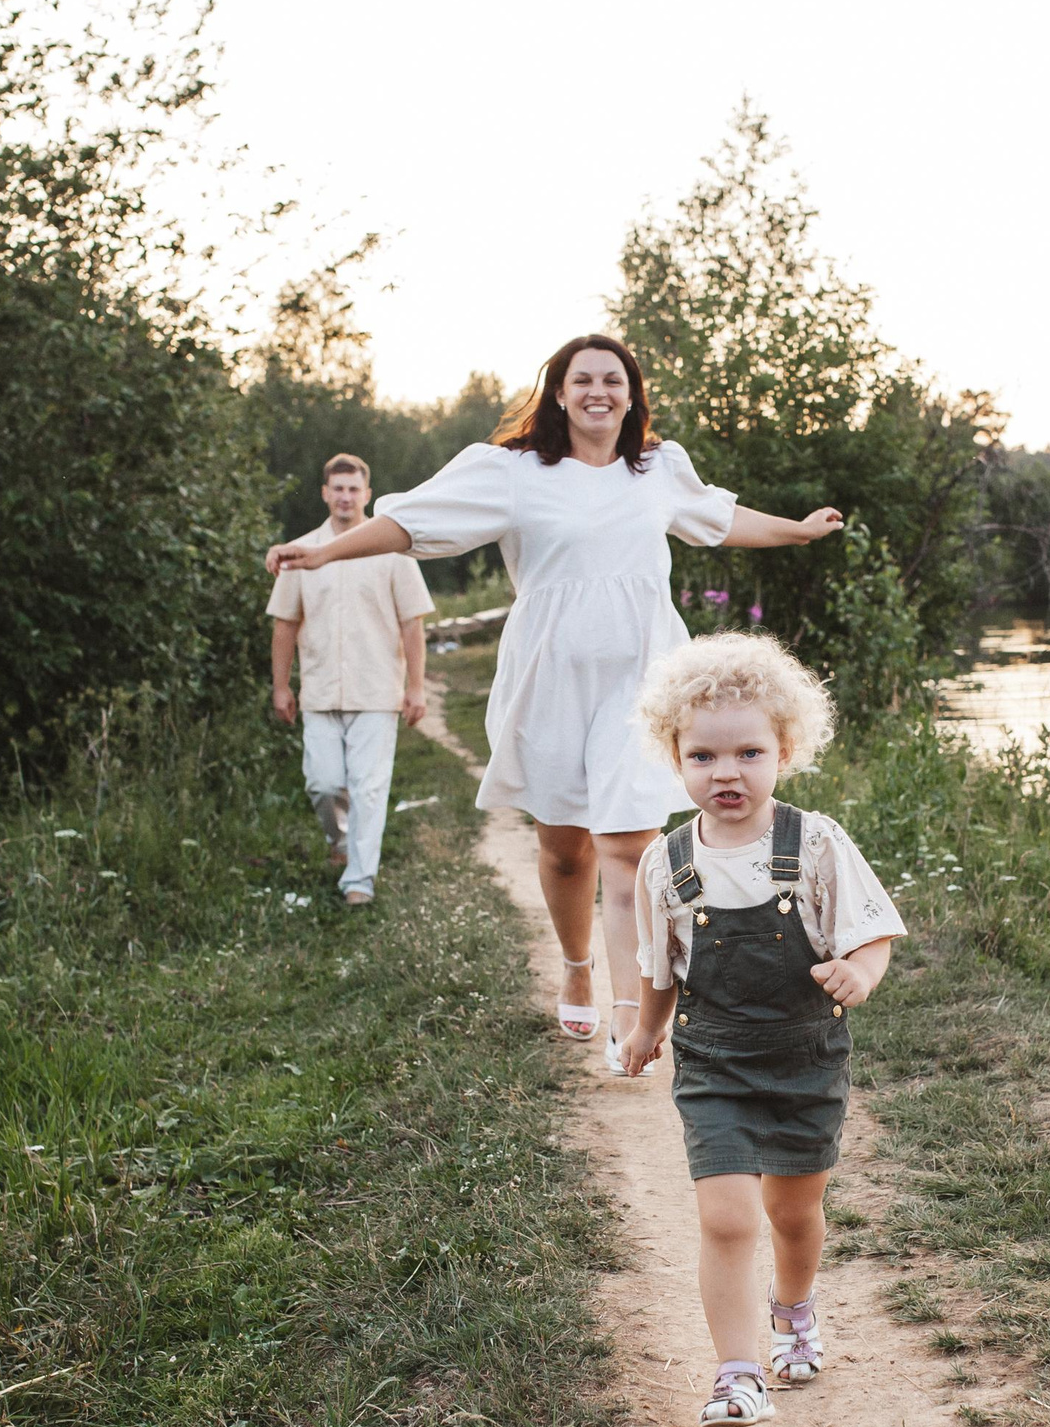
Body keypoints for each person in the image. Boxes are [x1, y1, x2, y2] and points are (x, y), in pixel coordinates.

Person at [263, 335, 841, 1057]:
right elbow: (413, 521)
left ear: (631, 394)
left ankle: (630, 1014)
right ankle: (576, 969)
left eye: (614, 380)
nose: (599, 391)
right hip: (550, 677)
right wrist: (321, 553)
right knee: (565, 848)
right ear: (559, 394)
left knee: (628, 846)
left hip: (644, 679)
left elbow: (721, 520)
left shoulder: (657, 468)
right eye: (583, 380)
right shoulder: (512, 472)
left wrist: (796, 532)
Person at [617, 633, 905, 1427]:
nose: (727, 773)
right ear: (675, 757)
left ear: (785, 748)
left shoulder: (813, 843)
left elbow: (872, 930)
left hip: (805, 1058)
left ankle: (795, 1307)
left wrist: (861, 971)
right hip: (712, 1063)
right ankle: (737, 1374)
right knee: (727, 1217)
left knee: (792, 1213)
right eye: (703, 757)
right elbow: (661, 963)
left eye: (749, 752)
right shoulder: (664, 862)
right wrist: (647, 1030)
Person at [267, 452, 435, 906]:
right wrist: (281, 686)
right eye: (337, 488)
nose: (345, 496)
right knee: (322, 783)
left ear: (367, 493)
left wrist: (415, 687)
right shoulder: (300, 553)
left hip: (377, 690)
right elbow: (284, 624)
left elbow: (412, 623)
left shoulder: (393, 552)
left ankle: (359, 881)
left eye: (353, 488)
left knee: (368, 787)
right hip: (319, 692)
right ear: (325, 493)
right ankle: (339, 840)